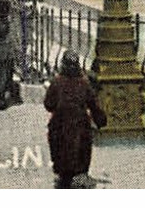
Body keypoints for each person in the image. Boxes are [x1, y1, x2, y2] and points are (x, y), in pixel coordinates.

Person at [44, 50, 105, 189]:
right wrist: (101, 120)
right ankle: (79, 176)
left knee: (59, 149)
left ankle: (64, 177)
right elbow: (94, 105)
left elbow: (49, 105)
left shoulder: (57, 82)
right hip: (80, 125)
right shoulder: (84, 83)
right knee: (81, 148)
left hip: (60, 124)